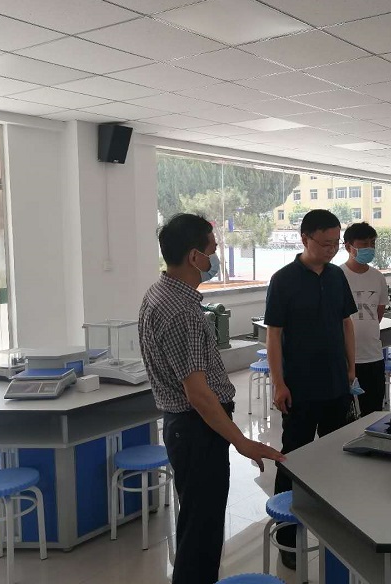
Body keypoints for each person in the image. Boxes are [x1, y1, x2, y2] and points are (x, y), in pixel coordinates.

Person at [138, 213, 284, 584]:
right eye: (212, 250)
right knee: (201, 535)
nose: (215, 258)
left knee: (196, 525)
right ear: (194, 257)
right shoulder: (181, 311)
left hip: (186, 427)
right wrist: (243, 442)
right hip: (197, 429)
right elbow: (200, 396)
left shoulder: (159, 293)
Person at [264, 209, 357, 570]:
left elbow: (345, 324)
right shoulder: (283, 280)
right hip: (300, 388)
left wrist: (350, 367)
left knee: (336, 456)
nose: (332, 250)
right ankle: (288, 539)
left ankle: (336, 528)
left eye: (336, 243)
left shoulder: (336, 276)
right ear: (305, 239)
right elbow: (274, 336)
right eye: (325, 243)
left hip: (336, 385)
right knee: (294, 459)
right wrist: (279, 383)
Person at [340, 222, 388, 416]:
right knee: (344, 416)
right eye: (364, 244)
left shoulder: (378, 277)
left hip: (373, 355)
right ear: (348, 247)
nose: (369, 248)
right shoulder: (337, 275)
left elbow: (378, 313)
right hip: (343, 359)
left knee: (373, 413)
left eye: (372, 243)